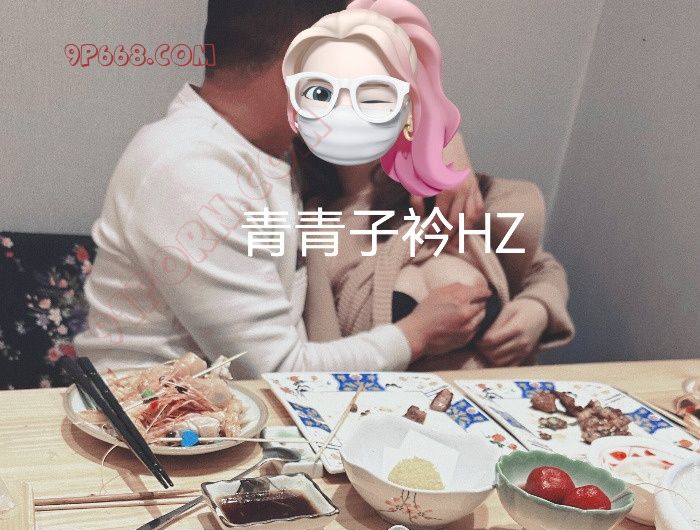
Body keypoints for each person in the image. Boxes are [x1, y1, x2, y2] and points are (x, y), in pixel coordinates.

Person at [75, 0, 489, 377]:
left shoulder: (270, 143)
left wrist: (442, 138)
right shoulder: (192, 171)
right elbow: (275, 371)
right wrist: (416, 334)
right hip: (152, 419)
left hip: (235, 407)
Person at [288, 0, 574, 368]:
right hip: (388, 401)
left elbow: (542, 268)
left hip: (503, 396)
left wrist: (538, 310)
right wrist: (417, 331)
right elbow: (318, 367)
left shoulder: (446, 185)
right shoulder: (312, 221)